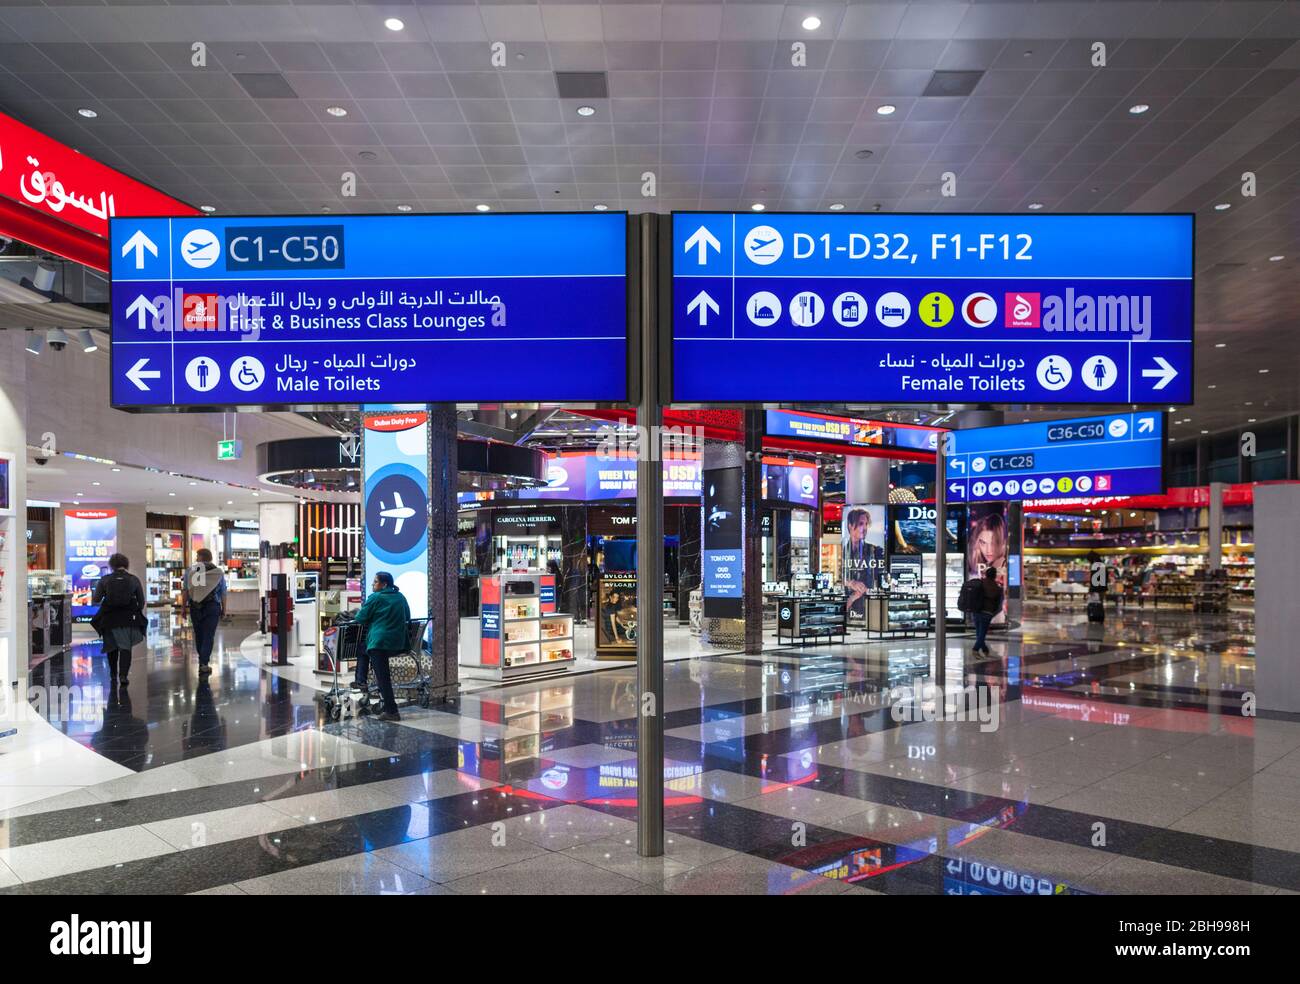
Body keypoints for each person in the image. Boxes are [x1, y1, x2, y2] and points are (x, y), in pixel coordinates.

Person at [352, 571, 410, 722]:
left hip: (379, 643)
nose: (372, 584)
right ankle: (361, 679)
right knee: (363, 649)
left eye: (375, 581)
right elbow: (408, 616)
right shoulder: (400, 597)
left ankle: (392, 711)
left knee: (383, 677)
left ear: (384, 584)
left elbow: (360, 618)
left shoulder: (375, 598)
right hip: (398, 643)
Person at [91, 553, 146, 687]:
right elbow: (141, 602)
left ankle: (113, 674)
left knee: (111, 647)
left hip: (109, 618)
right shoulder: (134, 580)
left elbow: (96, 599)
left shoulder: (104, 580)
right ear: (126, 564)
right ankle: (123, 676)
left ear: (111, 565)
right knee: (125, 647)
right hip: (128, 619)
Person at [182, 548, 226, 676]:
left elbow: (186, 591)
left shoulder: (190, 571)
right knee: (208, 634)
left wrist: (183, 607)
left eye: (197, 556)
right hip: (212, 606)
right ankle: (204, 663)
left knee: (199, 633)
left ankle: (203, 660)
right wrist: (224, 609)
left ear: (201, 557)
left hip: (195, 606)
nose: (196, 559)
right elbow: (223, 592)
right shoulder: (218, 572)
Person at [842, 507, 885, 618]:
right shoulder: (843, 552)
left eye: (866, 524)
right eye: (861, 524)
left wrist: (858, 592)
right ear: (850, 526)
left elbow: (879, 582)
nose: (865, 528)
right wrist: (851, 583)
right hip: (850, 610)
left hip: (870, 608)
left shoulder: (876, 551)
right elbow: (840, 579)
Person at [972, 567, 1004, 657]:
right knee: (982, 633)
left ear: (986, 574)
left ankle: (985, 649)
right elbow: (999, 604)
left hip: (977, 611)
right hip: (987, 613)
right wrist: (992, 612)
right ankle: (975, 649)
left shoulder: (980, 583)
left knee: (979, 633)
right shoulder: (997, 588)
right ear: (994, 576)